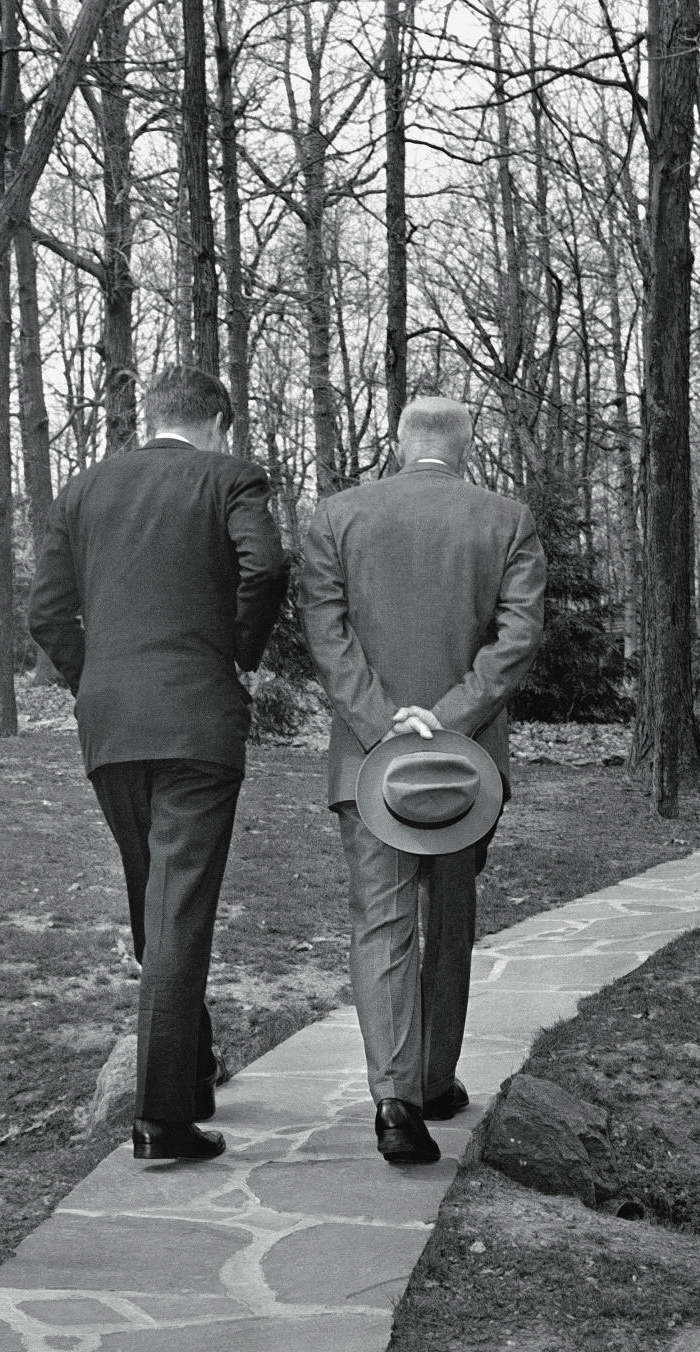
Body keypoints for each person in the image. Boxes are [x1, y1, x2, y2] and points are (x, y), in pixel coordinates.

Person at [29, 364, 289, 1161]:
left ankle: (194, 1073)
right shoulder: (230, 478)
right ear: (218, 421)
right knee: (177, 909)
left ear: (153, 418)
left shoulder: (83, 489)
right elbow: (267, 567)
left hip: (109, 725)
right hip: (196, 721)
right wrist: (237, 652)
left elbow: (44, 610)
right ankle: (162, 1119)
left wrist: (92, 676)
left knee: (155, 898)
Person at [298, 395, 546, 1164]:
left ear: (399, 443)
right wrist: (445, 721)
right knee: (450, 916)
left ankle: (396, 1101)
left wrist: (384, 727)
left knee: (382, 918)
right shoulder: (506, 521)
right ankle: (434, 1078)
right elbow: (518, 637)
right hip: (465, 765)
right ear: (465, 449)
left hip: (369, 764)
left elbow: (328, 637)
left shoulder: (335, 518)